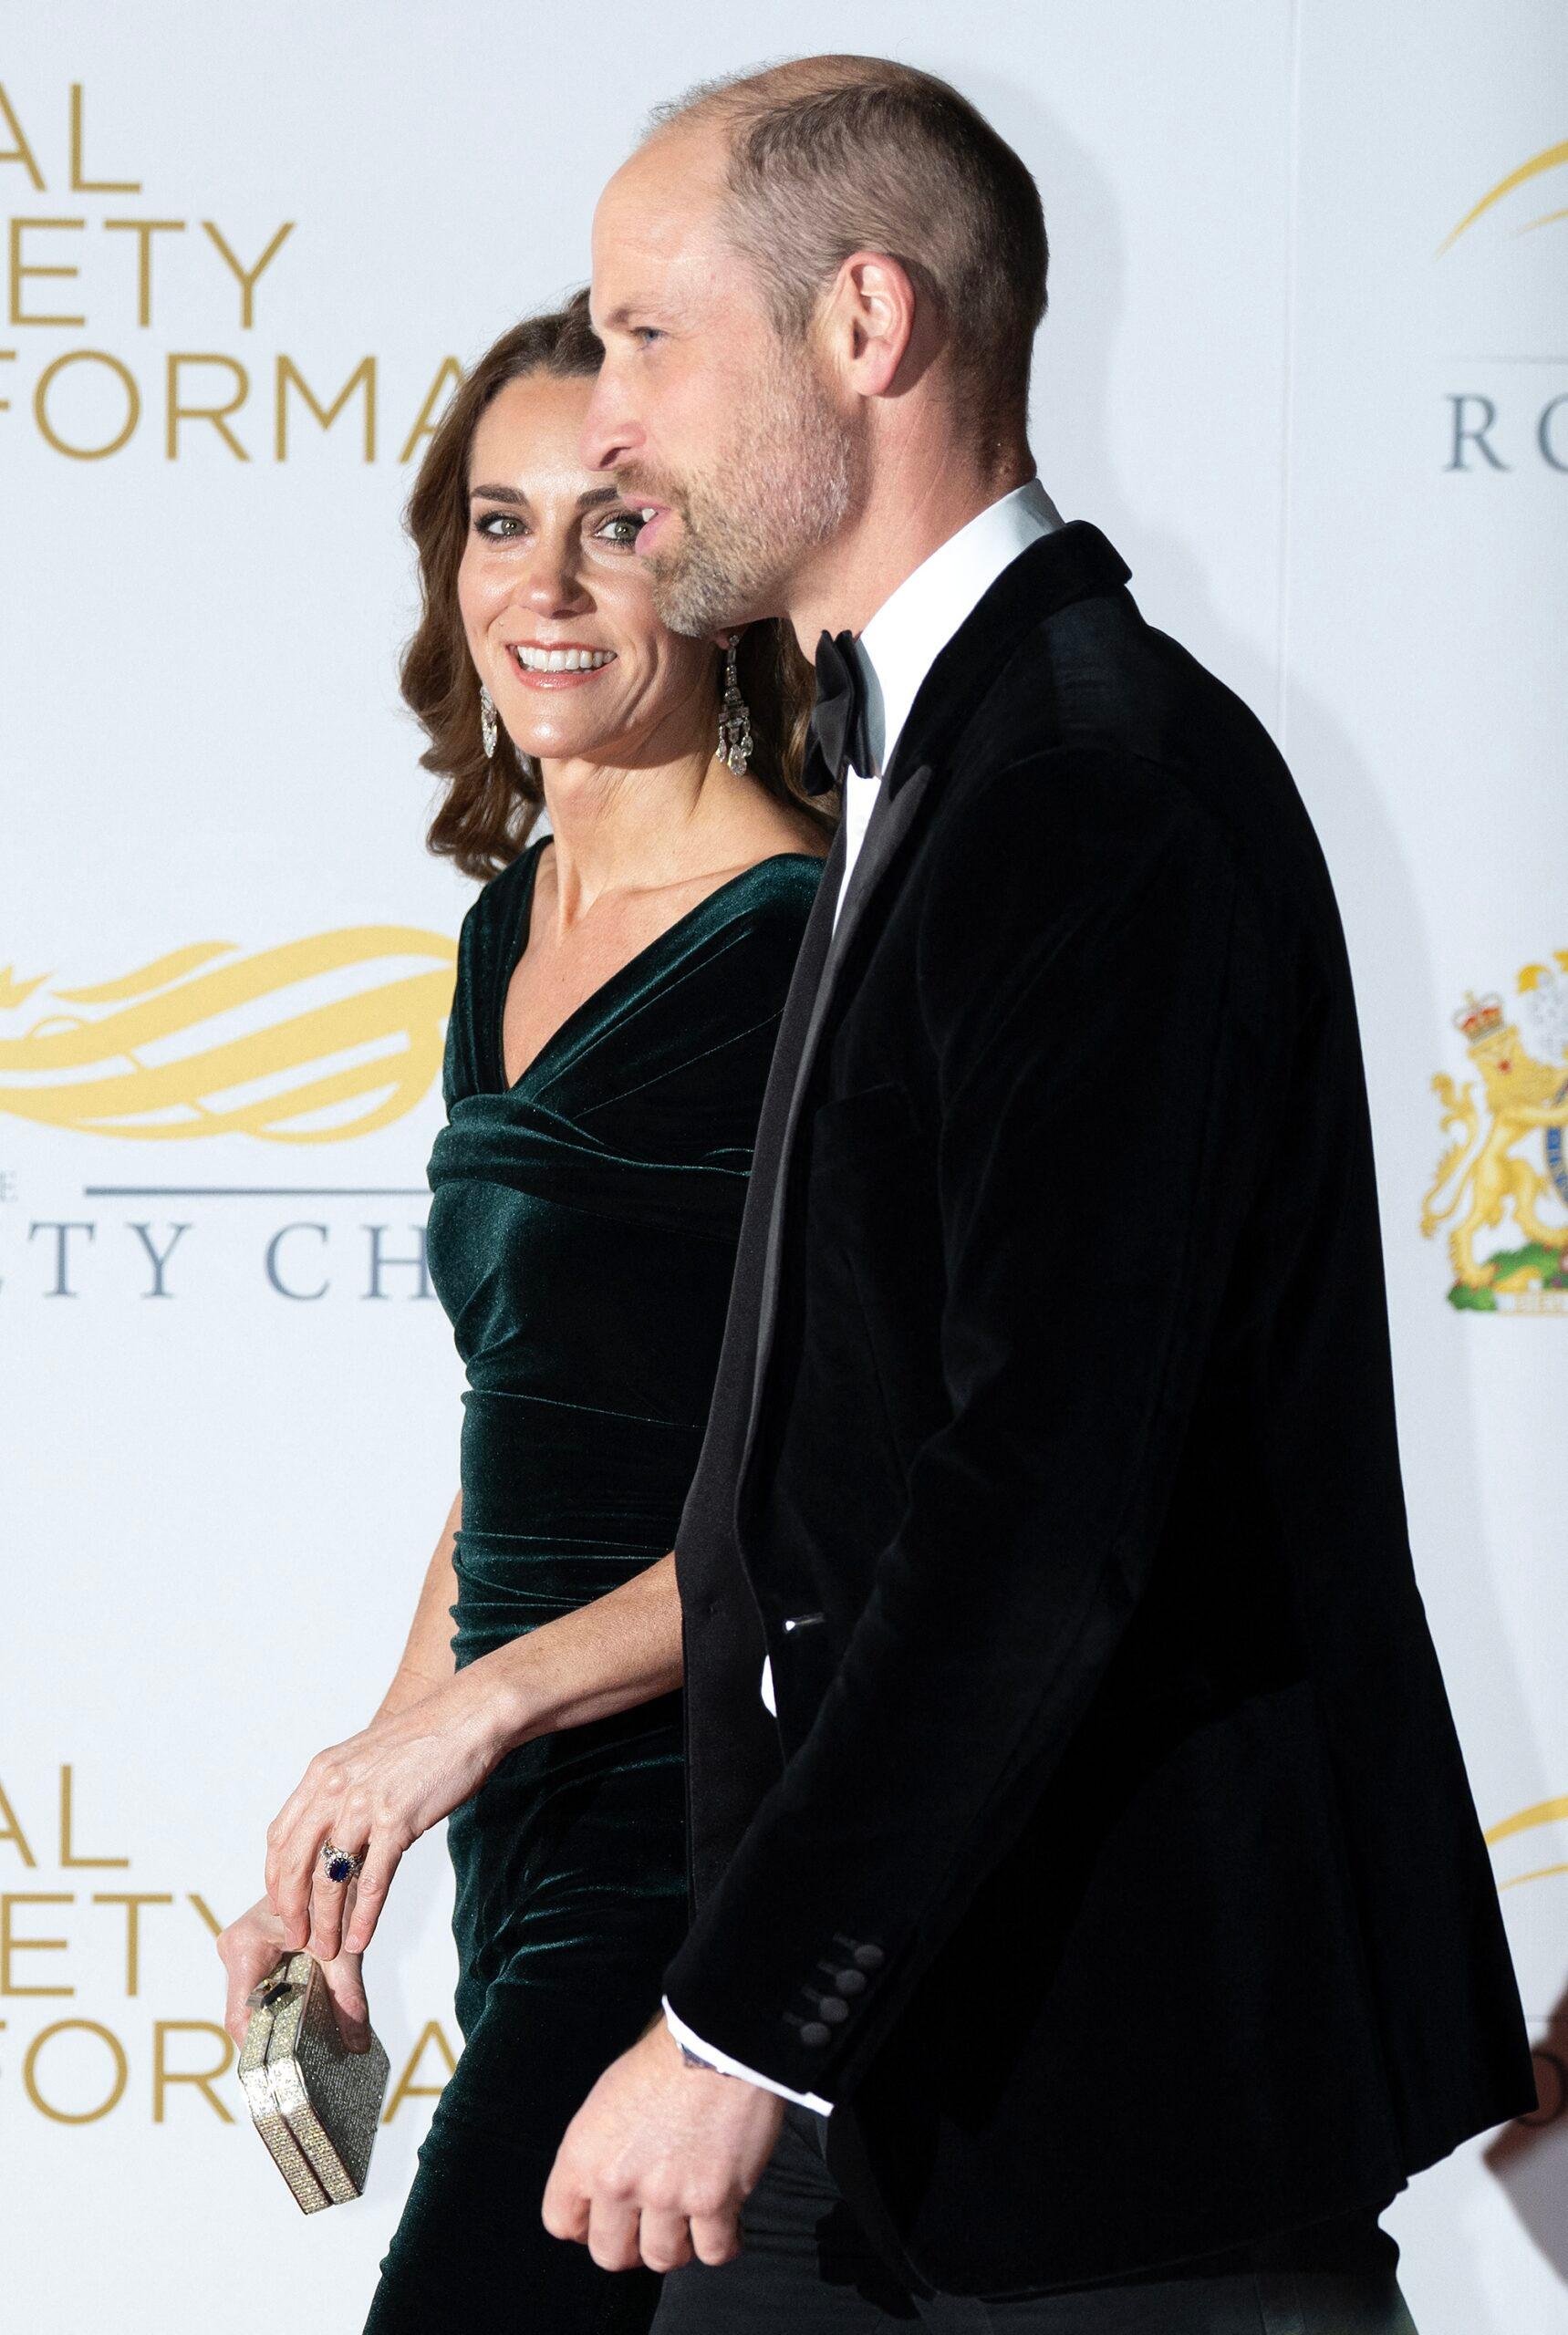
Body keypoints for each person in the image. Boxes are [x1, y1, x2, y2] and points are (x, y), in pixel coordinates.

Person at [541, 57, 1538, 2332]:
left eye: (643, 333)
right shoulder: (947, 758)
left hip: (1111, 2098)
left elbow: (1041, 1495)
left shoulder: (1093, 784)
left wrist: (735, 2025)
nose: (604, 422)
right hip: (889, 2069)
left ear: (862, 324)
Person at [214, 291, 829, 2333]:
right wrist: (369, 1800)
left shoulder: (812, 947)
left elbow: (828, 1503)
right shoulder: (502, 931)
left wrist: (470, 1719)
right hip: (532, 1823)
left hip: (710, 1808)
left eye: (617, 524)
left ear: (727, 578)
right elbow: (524, 1435)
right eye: (498, 523)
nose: (544, 585)